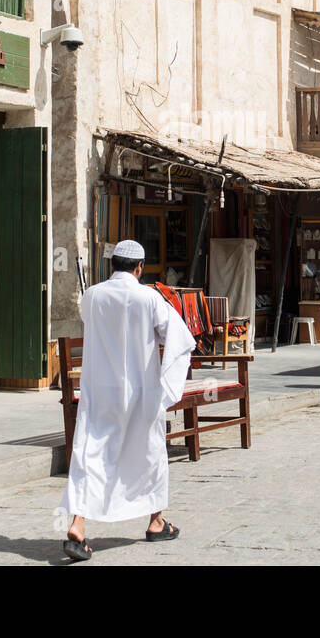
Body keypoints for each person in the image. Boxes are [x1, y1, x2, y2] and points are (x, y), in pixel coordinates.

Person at [60, 240, 195, 562]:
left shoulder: (91, 295)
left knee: (89, 453)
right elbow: (178, 338)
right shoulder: (149, 297)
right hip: (140, 391)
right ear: (139, 267)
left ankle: (78, 525)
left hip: (100, 390)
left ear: (112, 265)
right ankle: (155, 522)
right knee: (148, 453)